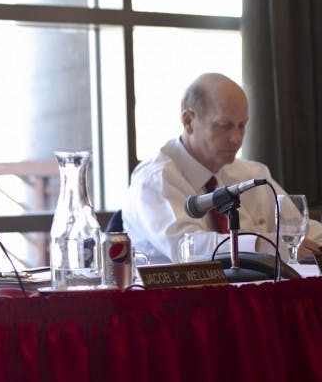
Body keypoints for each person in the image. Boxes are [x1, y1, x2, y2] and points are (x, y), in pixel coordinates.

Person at [123, 72, 322, 264]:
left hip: (253, 293)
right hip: (176, 296)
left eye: (242, 126)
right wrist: (261, 244)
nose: (237, 138)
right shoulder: (155, 180)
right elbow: (186, 249)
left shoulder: (253, 174)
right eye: (224, 126)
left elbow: (298, 231)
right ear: (188, 121)